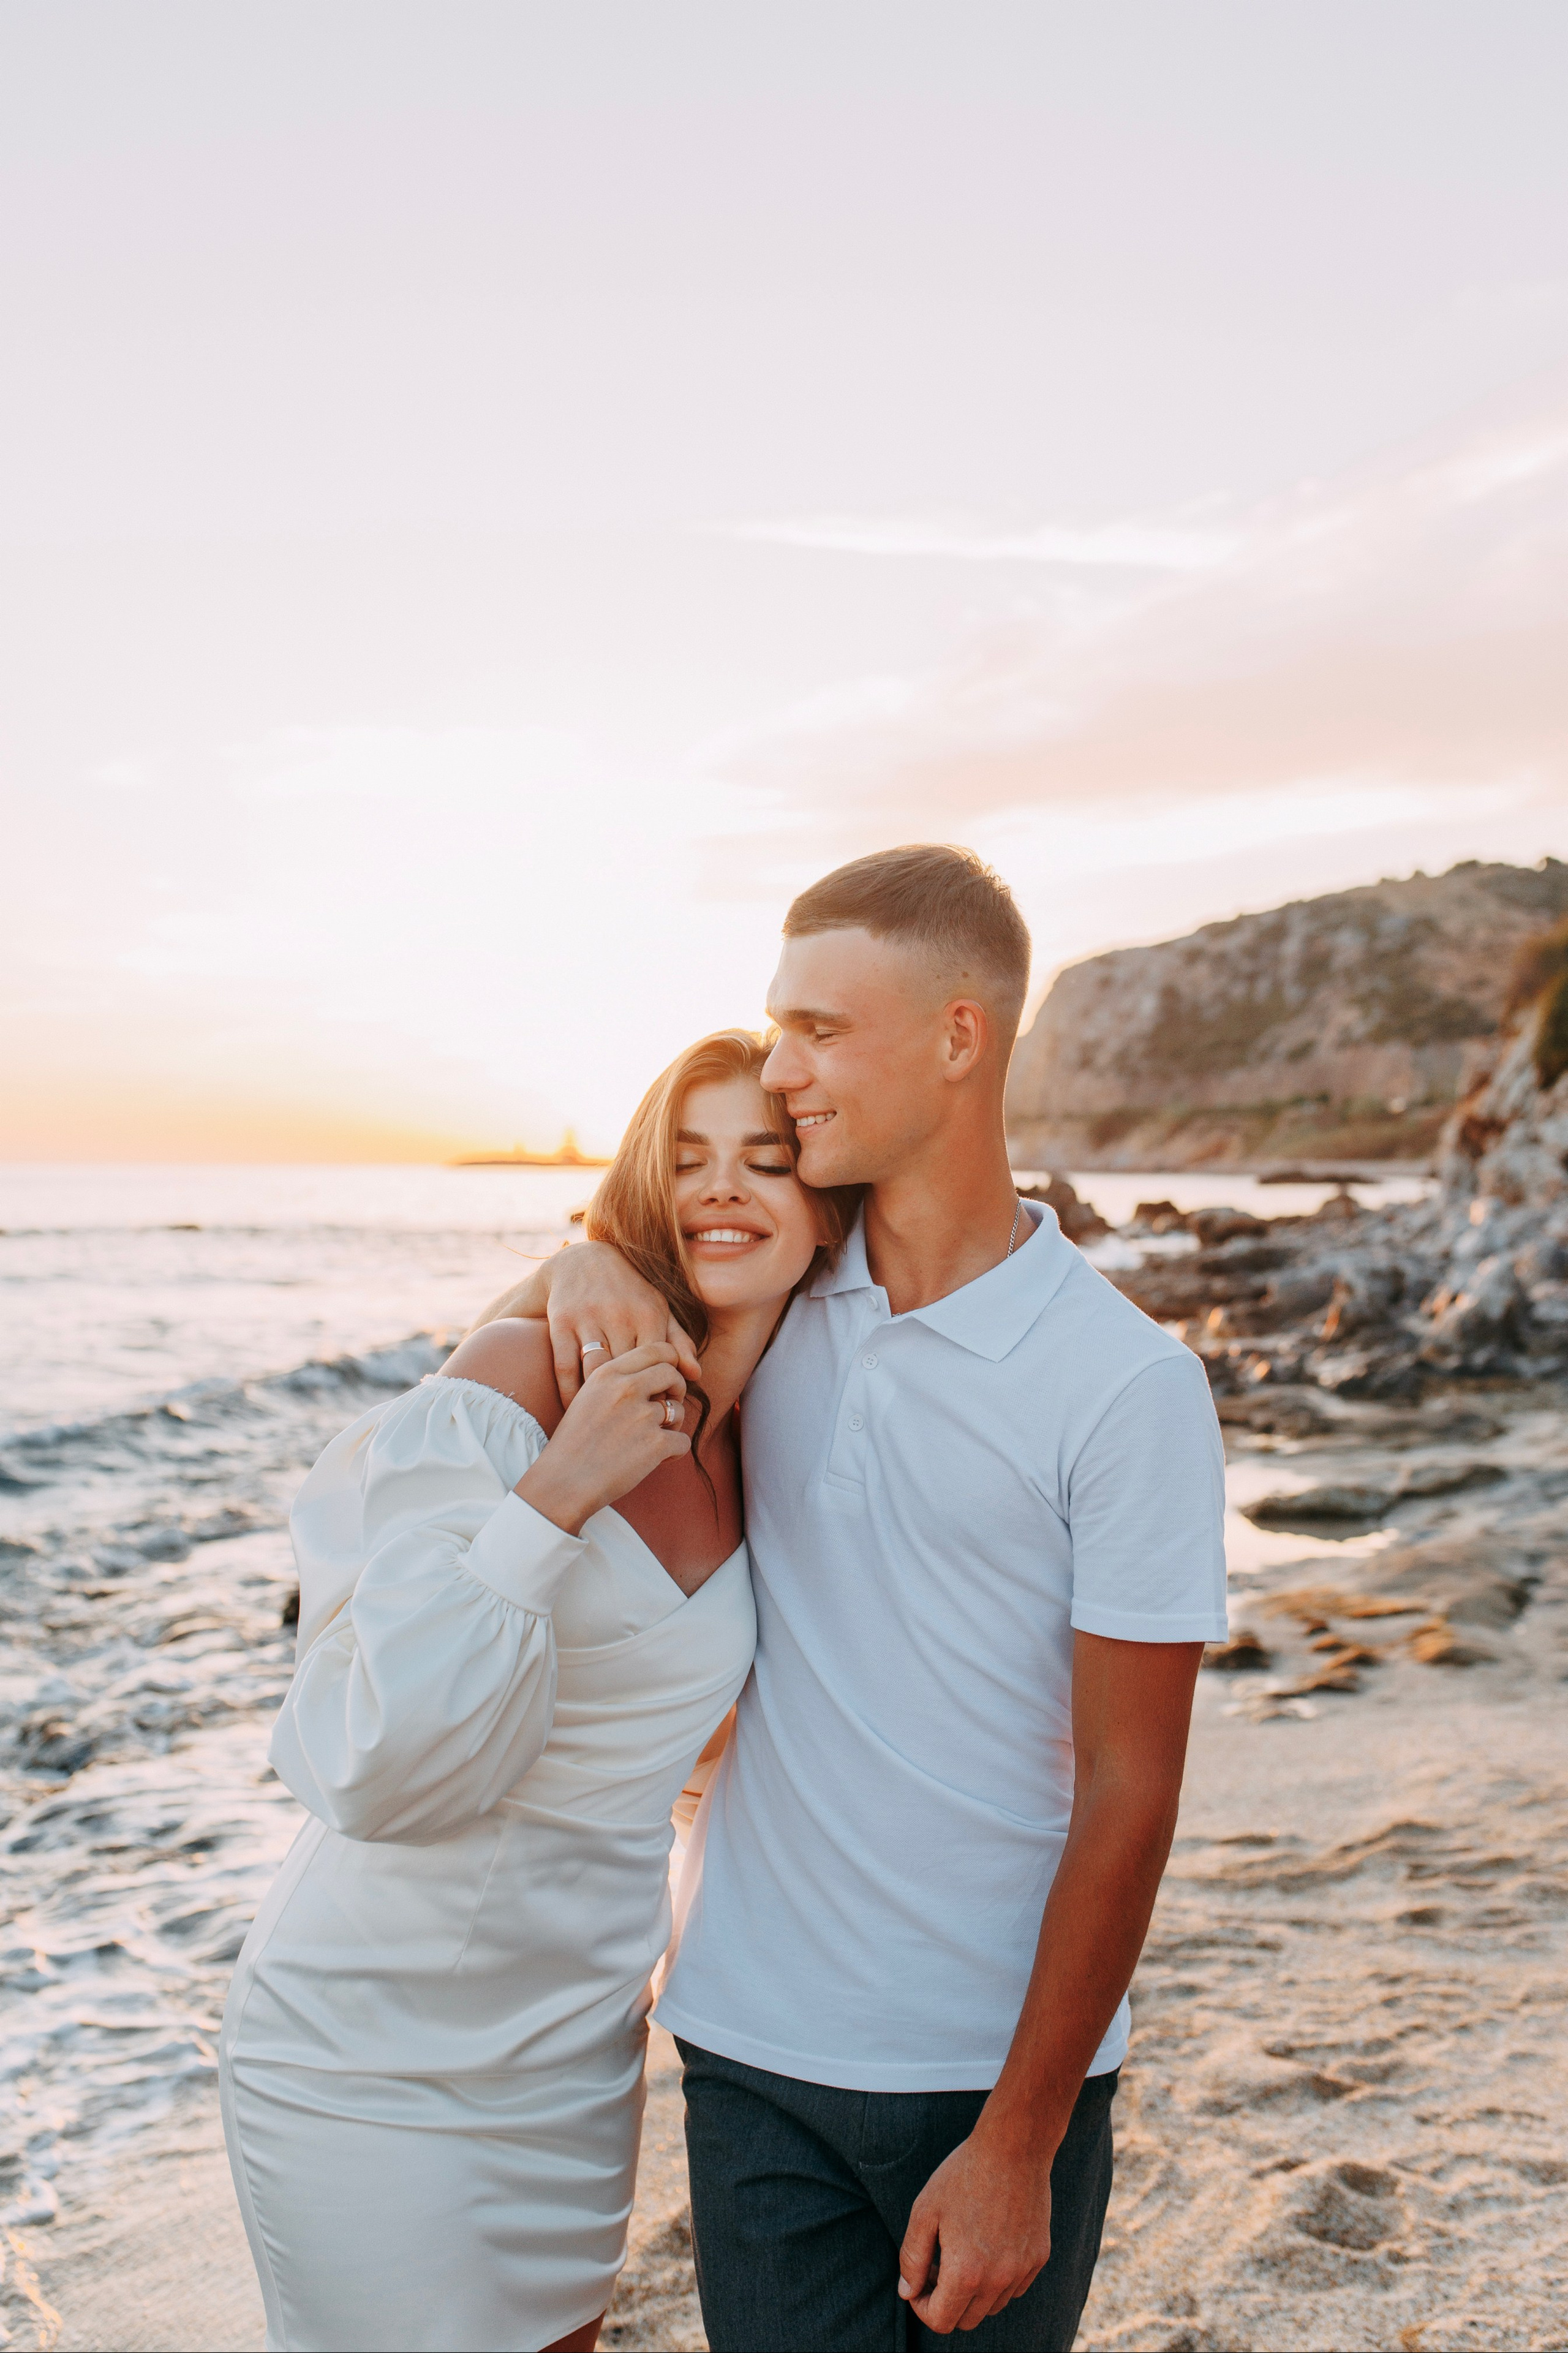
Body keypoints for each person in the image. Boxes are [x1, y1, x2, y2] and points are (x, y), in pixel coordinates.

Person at [509, 844, 1229, 2351]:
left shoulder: (1125, 1385)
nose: (780, 1072)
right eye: (776, 1028)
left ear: (960, 1038)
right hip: (750, 2047)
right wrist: (580, 1264)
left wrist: (1021, 2140)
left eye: (820, 1031)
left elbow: (1128, 1790)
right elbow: (630, 1248)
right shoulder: (770, 1298)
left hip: (997, 2075)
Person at [219, 1030, 855, 2353]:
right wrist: (557, 1492)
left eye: (766, 1159)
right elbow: (372, 1761)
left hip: (573, 2055)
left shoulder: (782, 1432)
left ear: (826, 1202)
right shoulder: (522, 1377)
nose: (724, 1190)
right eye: (688, 1161)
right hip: (369, 2048)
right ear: (642, 1189)